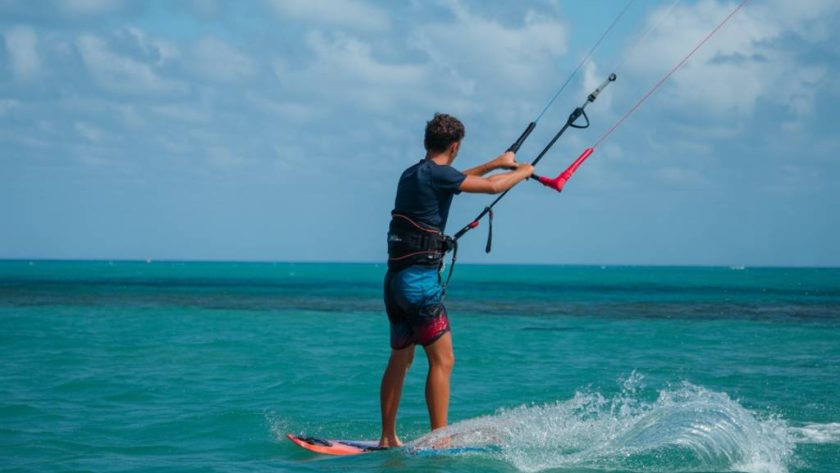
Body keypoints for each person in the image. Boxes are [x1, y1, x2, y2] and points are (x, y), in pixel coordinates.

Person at [379, 113, 534, 447]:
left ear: (427, 142)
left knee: (400, 359)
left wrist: (497, 162)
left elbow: (455, 178)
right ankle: (440, 440)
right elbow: (492, 187)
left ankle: (387, 437)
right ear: (454, 146)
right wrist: (524, 171)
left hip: (395, 282)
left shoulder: (412, 174)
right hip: (420, 284)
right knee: (443, 360)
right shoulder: (440, 175)